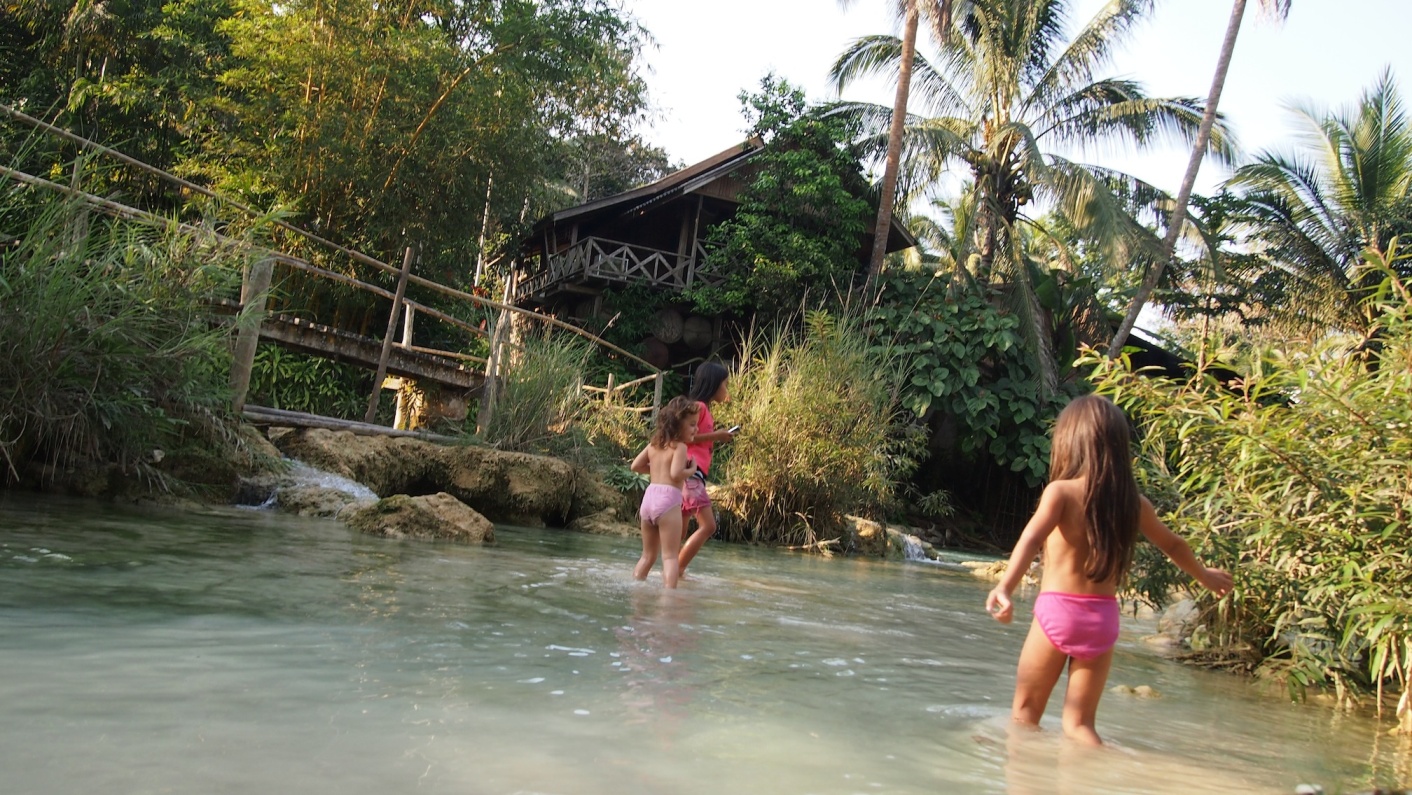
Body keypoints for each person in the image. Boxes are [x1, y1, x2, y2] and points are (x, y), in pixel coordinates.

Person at [984, 394, 1233, 747]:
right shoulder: (1134, 503)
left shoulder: (1060, 493)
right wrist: (1205, 576)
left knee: (1025, 715)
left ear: (1068, 443)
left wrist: (1005, 587)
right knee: (1080, 725)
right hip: (1102, 620)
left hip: (1058, 612)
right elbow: (1174, 545)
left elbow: (1029, 539)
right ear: (1118, 447)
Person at [630, 395, 700, 589]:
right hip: (668, 501)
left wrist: (653, 471)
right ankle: (670, 598)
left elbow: (635, 466)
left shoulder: (654, 445)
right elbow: (676, 474)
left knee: (647, 556)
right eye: (692, 425)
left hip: (649, 498)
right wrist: (692, 470)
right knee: (670, 557)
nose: (697, 429)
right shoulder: (680, 447)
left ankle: (636, 588)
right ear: (678, 426)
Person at [677, 362, 737, 574]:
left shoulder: (703, 409)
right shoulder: (700, 407)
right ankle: (677, 570)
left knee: (681, 531)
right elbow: (686, 438)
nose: (726, 390)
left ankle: (670, 572)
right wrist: (717, 436)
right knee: (709, 526)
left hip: (692, 473)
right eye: (725, 384)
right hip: (692, 472)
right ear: (714, 384)